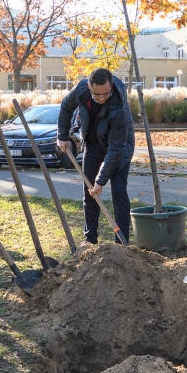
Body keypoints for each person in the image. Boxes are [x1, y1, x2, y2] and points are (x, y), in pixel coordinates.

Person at [57, 68, 135, 245]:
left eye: (105, 94)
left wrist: (100, 182)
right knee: (89, 192)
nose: (101, 98)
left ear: (112, 86)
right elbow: (65, 107)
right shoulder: (81, 90)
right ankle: (90, 240)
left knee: (118, 191)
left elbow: (115, 149)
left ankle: (121, 244)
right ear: (89, 87)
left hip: (120, 147)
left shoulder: (119, 106)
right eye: (96, 94)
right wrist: (62, 136)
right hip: (93, 144)